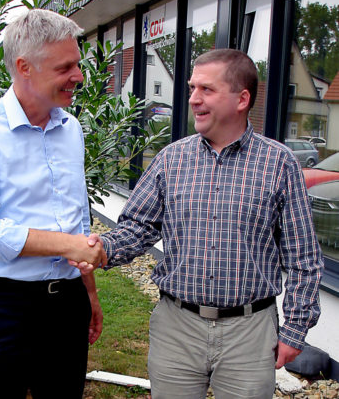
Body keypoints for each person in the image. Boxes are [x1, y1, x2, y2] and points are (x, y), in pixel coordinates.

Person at [82, 49, 324, 399]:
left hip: (250, 332)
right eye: (193, 88)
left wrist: (295, 330)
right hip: (176, 328)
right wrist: (102, 249)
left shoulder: (278, 164)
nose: (193, 99)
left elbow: (303, 257)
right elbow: (138, 227)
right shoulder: (171, 159)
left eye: (206, 90)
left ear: (242, 99)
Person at [0, 9, 107, 399]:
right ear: (24, 67)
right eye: (66, 66)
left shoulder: (71, 130)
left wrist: (88, 291)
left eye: (78, 65)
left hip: (67, 304)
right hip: (4, 306)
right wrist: (68, 245)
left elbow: (75, 219)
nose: (79, 77)